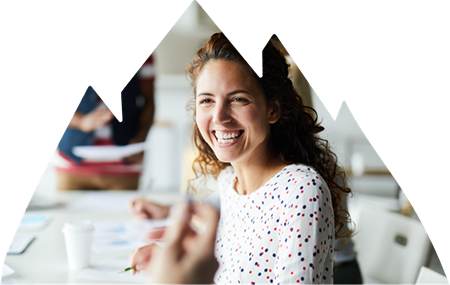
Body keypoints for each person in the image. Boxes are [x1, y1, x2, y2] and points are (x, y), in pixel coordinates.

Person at [130, 32, 353, 284]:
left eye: (238, 99)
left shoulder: (302, 190)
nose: (219, 116)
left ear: (273, 109)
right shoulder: (229, 182)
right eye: (206, 100)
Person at [55, 56, 155, 190]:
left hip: (124, 165)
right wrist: (80, 122)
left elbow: (149, 101)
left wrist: (141, 138)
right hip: (71, 163)